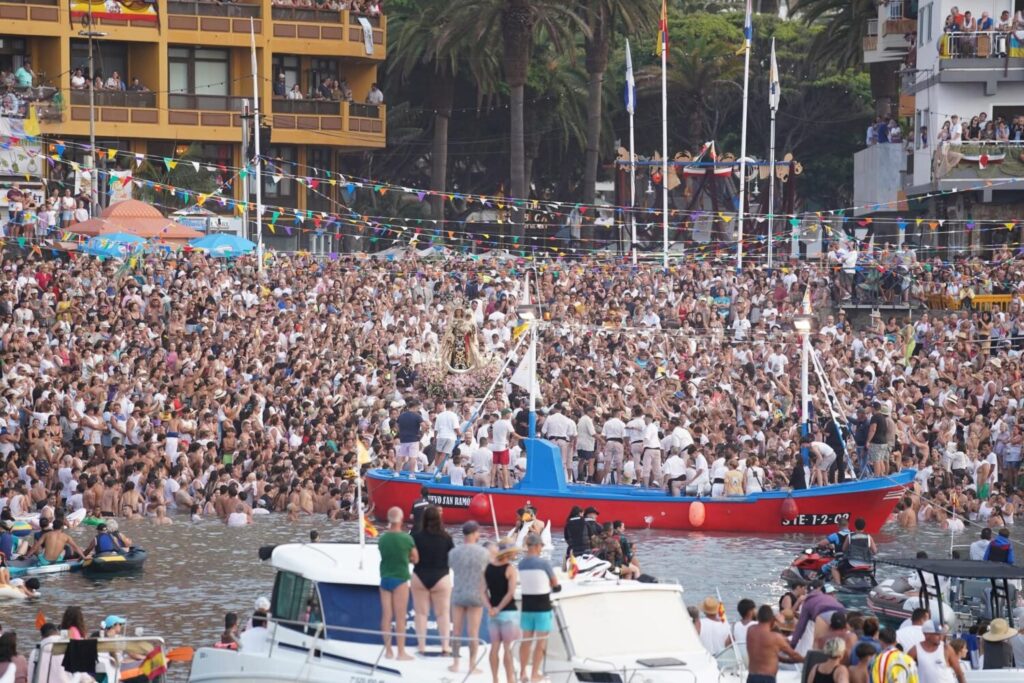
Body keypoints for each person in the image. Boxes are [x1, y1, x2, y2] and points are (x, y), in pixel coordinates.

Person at [410, 505, 453, 655]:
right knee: (443, 614)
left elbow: (412, 558)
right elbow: (451, 559)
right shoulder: (446, 537)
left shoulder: (416, 537)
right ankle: (445, 646)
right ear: (439, 518)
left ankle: (421, 646)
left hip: (420, 575)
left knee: (421, 613)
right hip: (441, 576)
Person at [448, 520, 489, 674]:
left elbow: (452, 567)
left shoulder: (454, 552)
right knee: (473, 633)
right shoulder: (483, 553)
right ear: (474, 533)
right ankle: (472, 665)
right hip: (476, 594)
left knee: (456, 631)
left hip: (458, 593)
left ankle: (456, 663)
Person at [378, 506, 418, 660]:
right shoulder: (407, 539)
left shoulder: (383, 539)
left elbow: (385, 555)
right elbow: (416, 558)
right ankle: (401, 652)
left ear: (389, 520)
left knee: (386, 616)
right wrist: (406, 558)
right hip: (400, 578)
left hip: (385, 578)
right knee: (400, 617)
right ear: (401, 519)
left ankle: (388, 651)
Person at [518, 533, 559, 683]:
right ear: (535, 546)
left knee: (526, 641)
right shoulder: (544, 564)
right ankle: (535, 674)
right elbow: (556, 585)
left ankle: (523, 672)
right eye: (541, 546)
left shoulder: (521, 564)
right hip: (542, 607)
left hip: (527, 607)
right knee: (541, 641)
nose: (541, 549)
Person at [486, 543, 520, 683]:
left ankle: (495, 679)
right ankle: (510, 680)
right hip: (508, 612)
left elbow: (482, 591)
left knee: (494, 647)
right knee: (507, 648)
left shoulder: (488, 568)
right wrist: (499, 608)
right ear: (508, 554)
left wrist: (491, 608)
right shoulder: (510, 569)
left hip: (492, 612)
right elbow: (511, 593)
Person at [746, 604, 803, 683]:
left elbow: (766, 653)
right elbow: (794, 655)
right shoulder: (776, 638)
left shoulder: (750, 631)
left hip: (752, 677)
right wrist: (805, 660)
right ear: (772, 620)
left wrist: (783, 659)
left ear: (758, 618)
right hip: (767, 678)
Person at [832, 517, 877, 586]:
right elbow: (874, 551)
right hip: (867, 564)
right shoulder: (869, 537)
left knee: (834, 568)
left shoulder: (850, 536)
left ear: (855, 526)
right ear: (864, 526)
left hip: (852, 563)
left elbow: (844, 549)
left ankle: (839, 585)